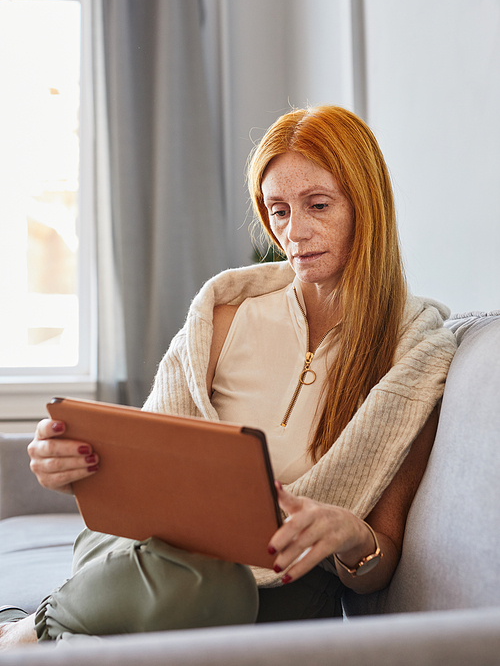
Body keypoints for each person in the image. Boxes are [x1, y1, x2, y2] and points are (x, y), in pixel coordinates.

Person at [0, 105, 456, 648]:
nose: (296, 232)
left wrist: (352, 535)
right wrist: (75, 467)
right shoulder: (223, 314)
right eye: (278, 211)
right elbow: (144, 470)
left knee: (219, 586)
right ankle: (48, 632)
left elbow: (378, 564)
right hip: (146, 547)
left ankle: (38, 632)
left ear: (367, 204)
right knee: (186, 573)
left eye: (318, 205)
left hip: (280, 585)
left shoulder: (415, 357)